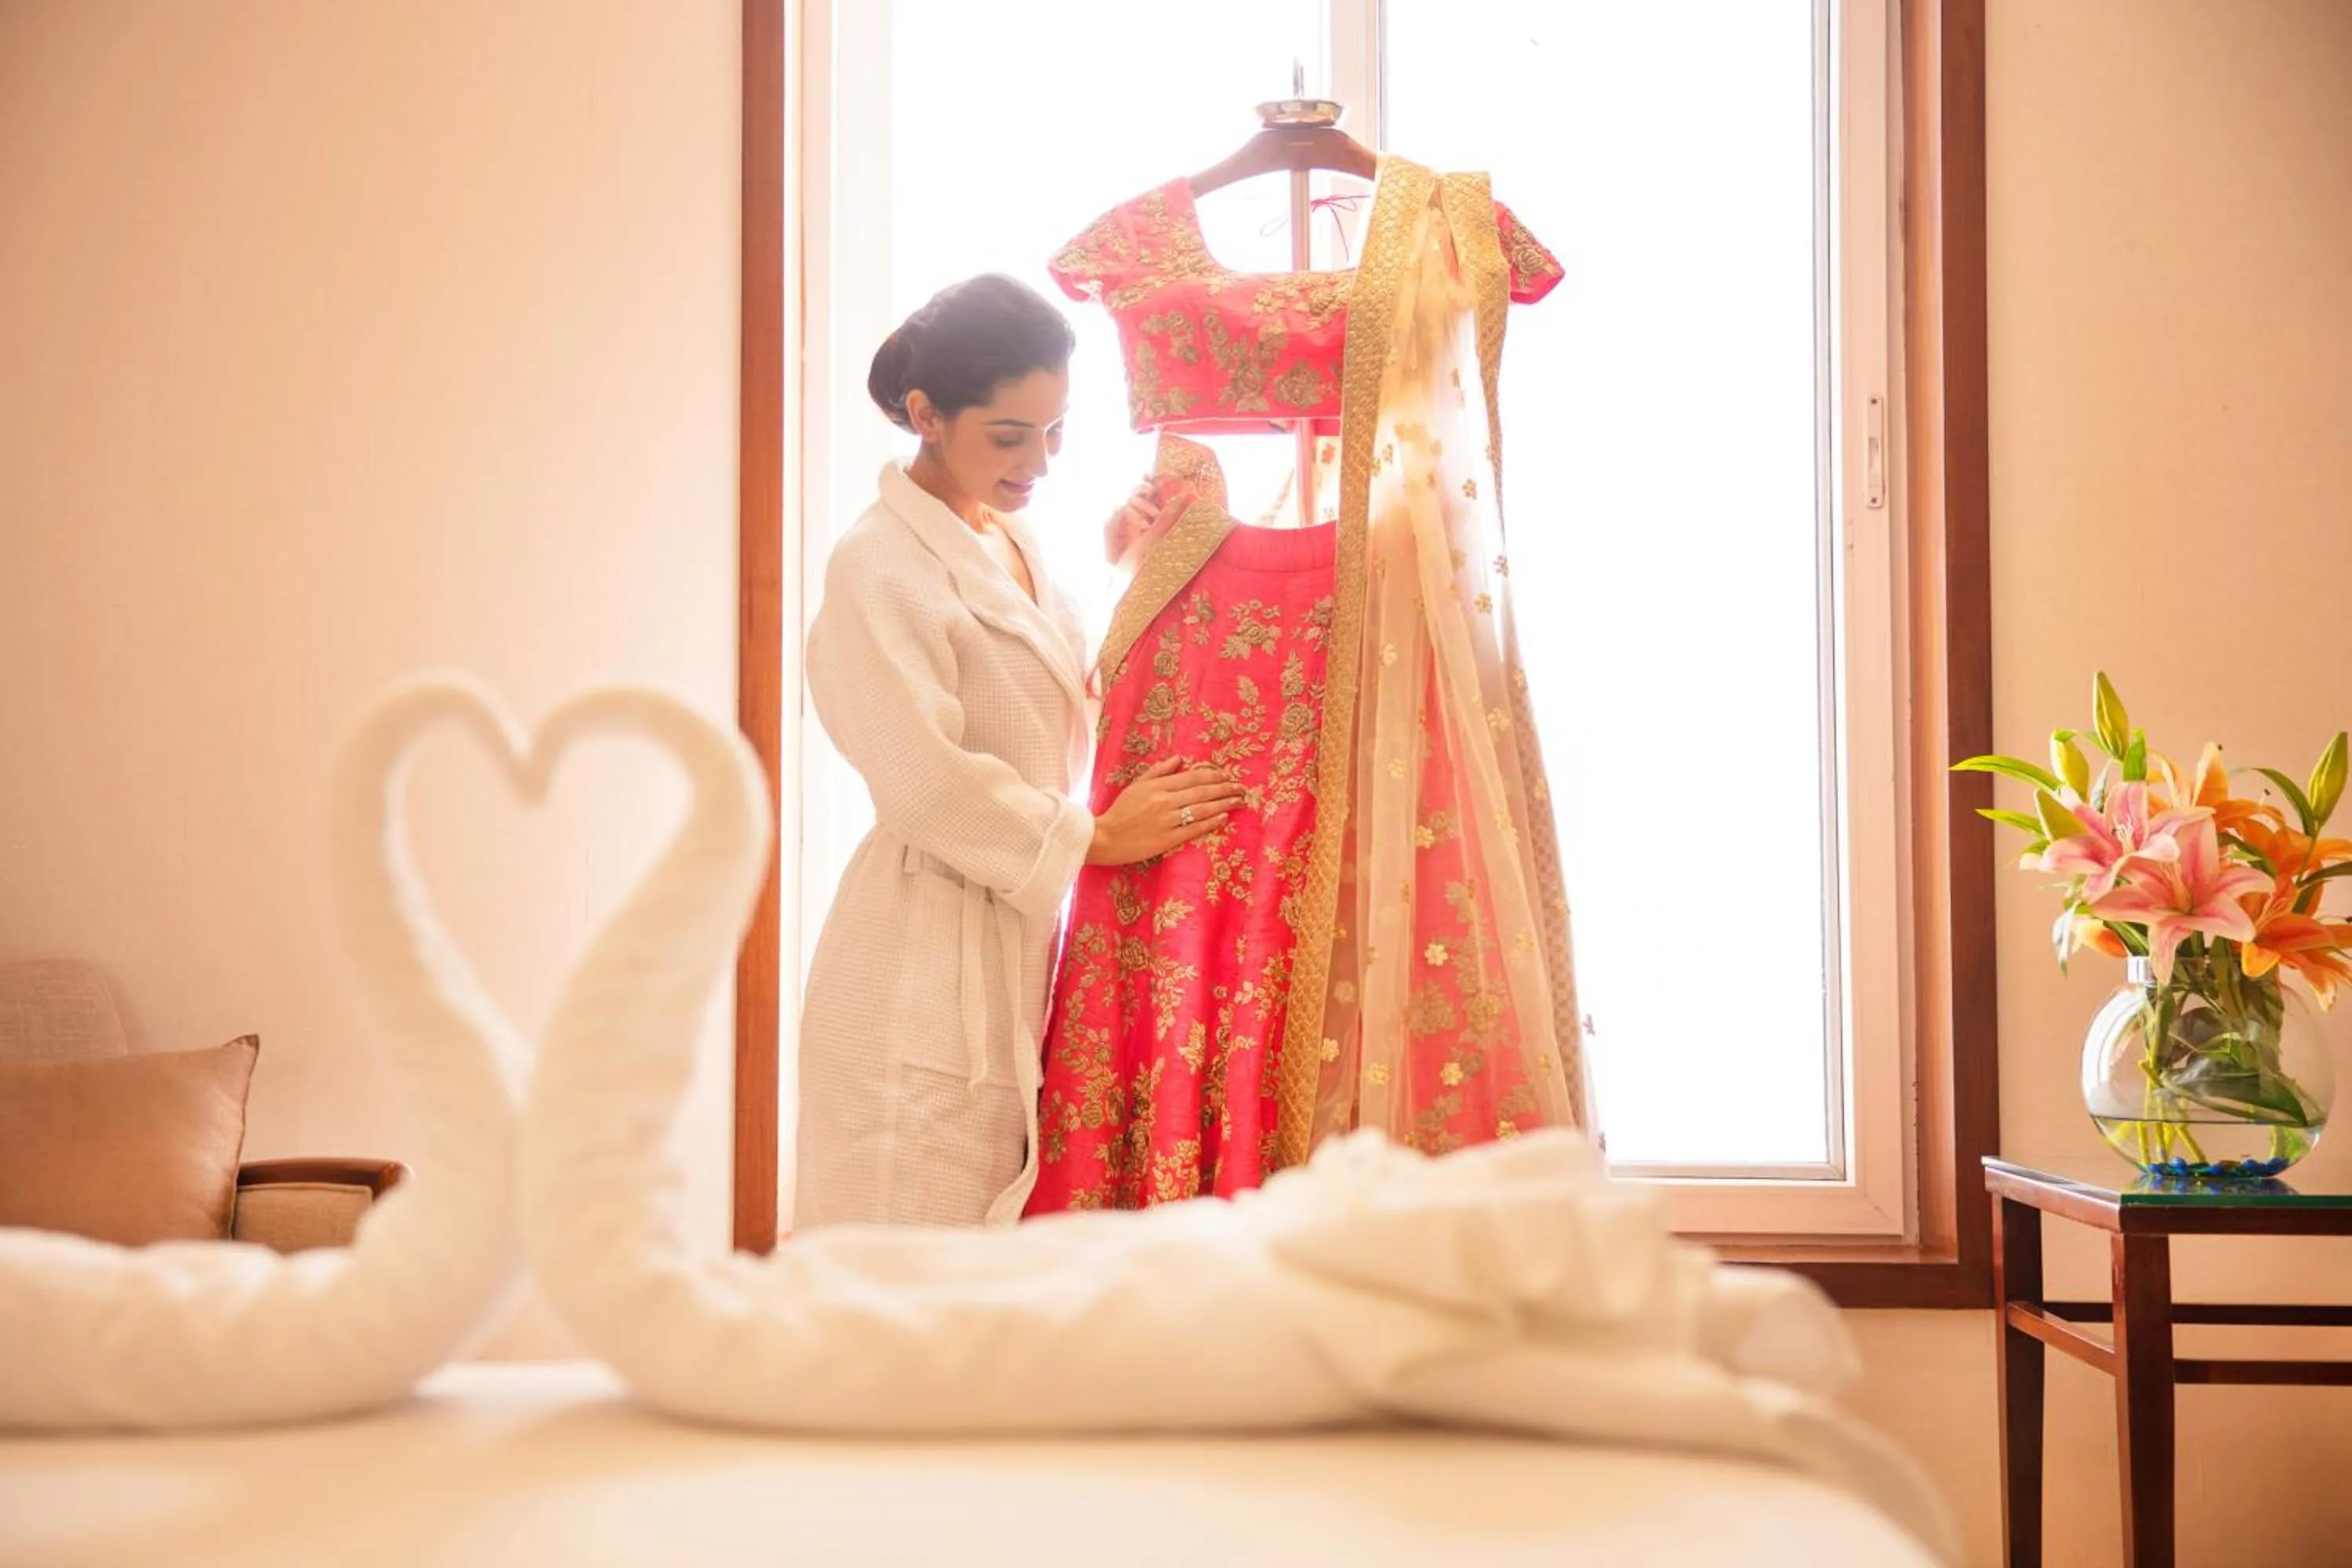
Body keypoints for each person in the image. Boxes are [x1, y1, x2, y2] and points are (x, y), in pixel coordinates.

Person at [793, 274, 1243, 1231]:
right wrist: (1097, 838)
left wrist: (1127, 568)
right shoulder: (877, 564)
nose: (1038, 460)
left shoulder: (1009, 538)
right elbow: (922, 777)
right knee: (903, 1257)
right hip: (913, 959)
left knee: (987, 1263)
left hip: (1008, 939)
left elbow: (1053, 702)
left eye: (1055, 431)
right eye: (1009, 435)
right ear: (926, 414)